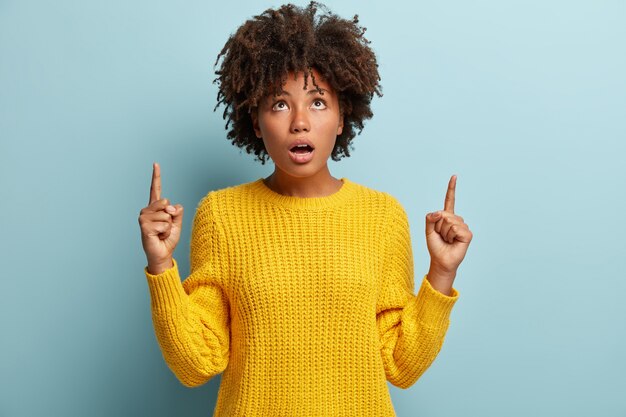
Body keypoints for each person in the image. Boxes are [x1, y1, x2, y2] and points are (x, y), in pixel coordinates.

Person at [138, 2, 473, 416]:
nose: (299, 121)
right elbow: (197, 363)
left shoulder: (383, 217)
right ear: (256, 122)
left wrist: (441, 273)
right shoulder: (221, 215)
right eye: (279, 103)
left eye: (317, 102)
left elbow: (400, 365)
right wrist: (161, 267)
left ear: (340, 116)